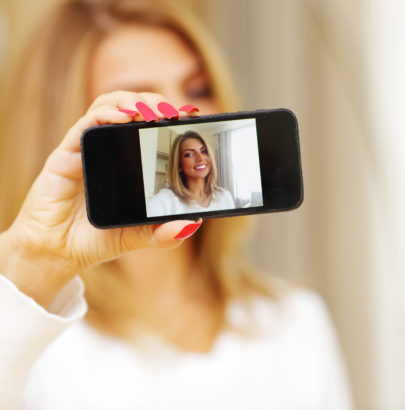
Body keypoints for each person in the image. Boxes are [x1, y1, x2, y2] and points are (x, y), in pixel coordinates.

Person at [0, 0, 352, 409]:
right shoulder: (31, 342)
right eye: (137, 106)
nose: (186, 119)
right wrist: (34, 262)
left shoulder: (295, 321)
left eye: (198, 89)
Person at [146, 130, 235, 217]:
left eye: (203, 151)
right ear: (179, 165)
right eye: (189, 154)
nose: (200, 158)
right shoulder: (165, 201)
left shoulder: (224, 196)